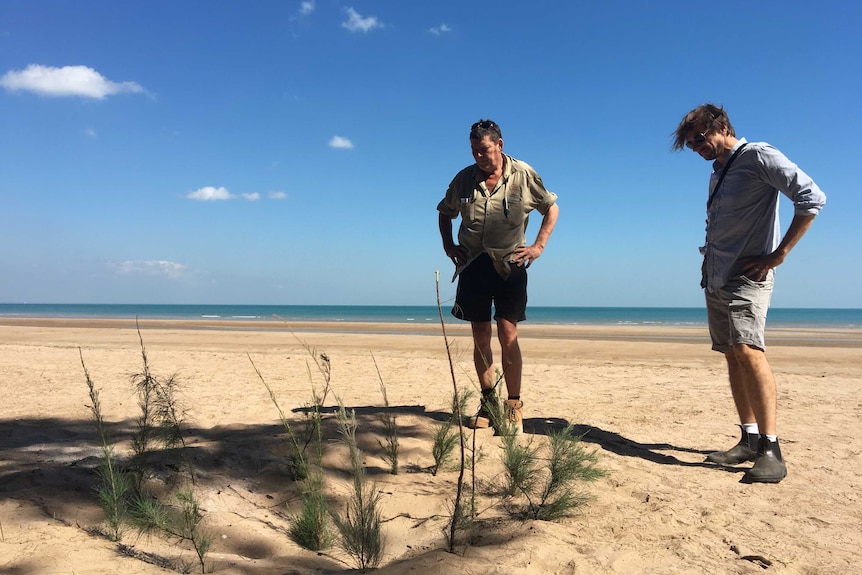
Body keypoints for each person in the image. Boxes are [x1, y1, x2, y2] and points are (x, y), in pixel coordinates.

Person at [672, 104, 826, 483]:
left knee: (748, 351)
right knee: (731, 356)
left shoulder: (757, 155)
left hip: (747, 277)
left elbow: (812, 198)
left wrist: (778, 255)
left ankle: (771, 451)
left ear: (722, 126)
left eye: (699, 139)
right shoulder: (718, 172)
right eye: (691, 145)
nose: (696, 148)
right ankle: (749, 438)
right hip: (717, 275)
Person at [437, 119, 559, 434]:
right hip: (474, 265)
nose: (480, 156)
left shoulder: (523, 174)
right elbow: (444, 212)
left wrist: (538, 246)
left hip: (510, 263)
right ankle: (488, 403)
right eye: (475, 151)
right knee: (480, 337)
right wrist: (449, 244)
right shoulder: (464, 180)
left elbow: (551, 208)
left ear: (500, 145)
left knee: (508, 335)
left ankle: (514, 406)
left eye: (485, 150)